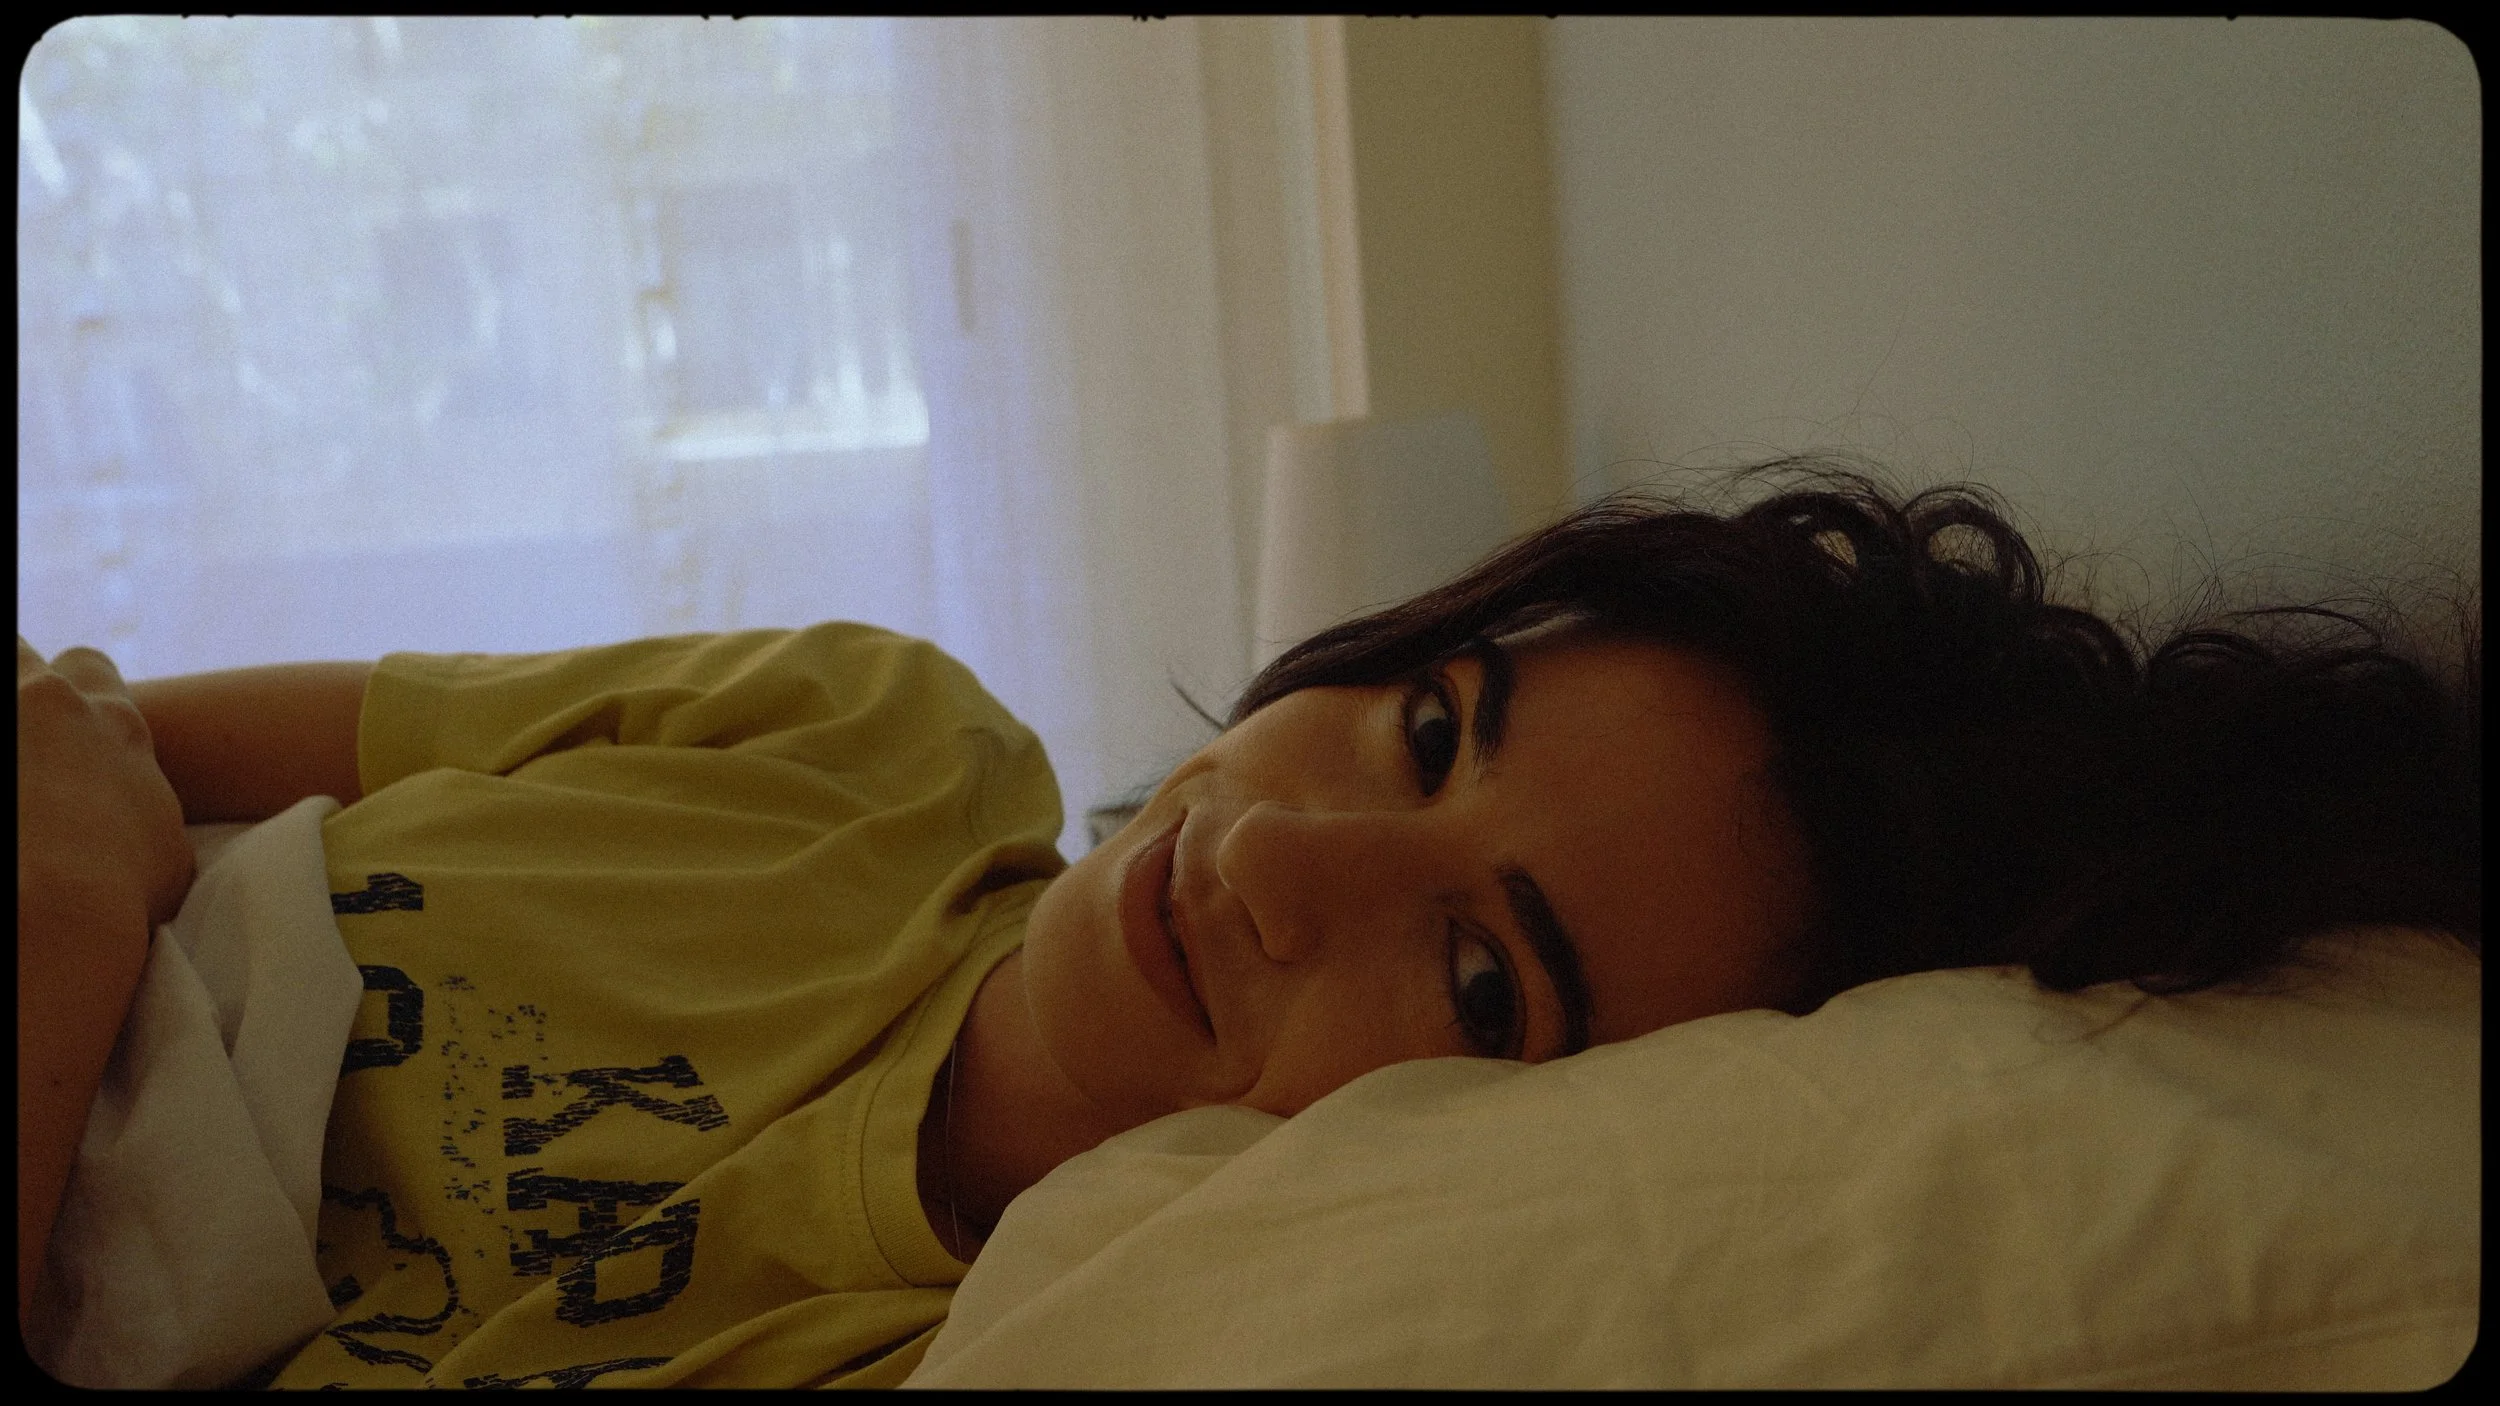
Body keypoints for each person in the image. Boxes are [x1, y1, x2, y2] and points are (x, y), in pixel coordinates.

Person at [16, 458, 2479, 1387]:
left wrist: (63, 913)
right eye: (1420, 729)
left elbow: (72, 834)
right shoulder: (864, 738)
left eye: (1484, 976)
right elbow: (100, 736)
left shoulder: (987, 1348)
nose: (1282, 856)